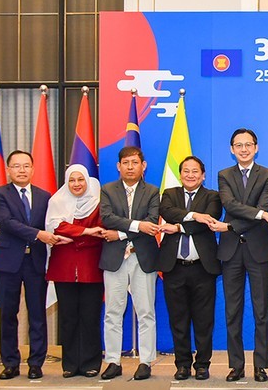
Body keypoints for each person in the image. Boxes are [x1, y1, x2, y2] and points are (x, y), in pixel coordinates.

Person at [212, 128, 268, 382]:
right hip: (231, 250)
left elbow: (263, 208)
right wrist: (256, 216)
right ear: (232, 149)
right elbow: (230, 205)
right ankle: (236, 365)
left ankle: (261, 365)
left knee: (261, 309)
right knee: (232, 311)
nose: (244, 149)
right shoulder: (224, 175)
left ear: (256, 147)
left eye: (248, 145)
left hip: (258, 248)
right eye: (238, 145)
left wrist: (231, 225)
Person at [0, 150, 56, 380]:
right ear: (8, 170)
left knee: (38, 314)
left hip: (36, 262)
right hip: (8, 262)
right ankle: (10, 363)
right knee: (9, 313)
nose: (21, 170)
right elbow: (7, 223)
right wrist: (39, 234)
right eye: (16, 166)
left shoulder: (45, 196)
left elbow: (54, 223)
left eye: (26, 166)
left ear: (33, 168)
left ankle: (36, 363)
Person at [158, 156, 223, 381]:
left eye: (195, 171)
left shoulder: (212, 196)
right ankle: (182, 364)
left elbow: (210, 220)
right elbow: (167, 212)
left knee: (204, 320)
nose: (191, 175)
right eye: (186, 171)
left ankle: (203, 364)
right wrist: (194, 215)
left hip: (202, 268)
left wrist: (178, 226)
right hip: (173, 267)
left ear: (203, 175)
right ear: (180, 174)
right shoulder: (169, 194)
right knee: (178, 319)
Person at [99, 146, 161, 381]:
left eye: (135, 162)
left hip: (142, 257)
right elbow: (107, 218)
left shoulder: (153, 191)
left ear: (143, 166)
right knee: (113, 311)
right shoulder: (107, 190)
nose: (130, 167)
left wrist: (121, 234)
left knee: (146, 312)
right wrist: (136, 227)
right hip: (114, 259)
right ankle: (113, 361)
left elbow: (152, 222)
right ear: (119, 166)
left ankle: (146, 361)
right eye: (126, 163)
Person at [45, 164, 106, 378]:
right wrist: (86, 231)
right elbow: (55, 227)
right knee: (68, 317)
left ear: (87, 181)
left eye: (81, 180)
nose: (77, 184)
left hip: (92, 265)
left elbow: (102, 228)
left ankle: (91, 363)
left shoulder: (98, 202)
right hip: (64, 266)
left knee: (90, 317)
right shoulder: (56, 201)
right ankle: (70, 364)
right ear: (66, 182)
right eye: (72, 180)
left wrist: (73, 233)